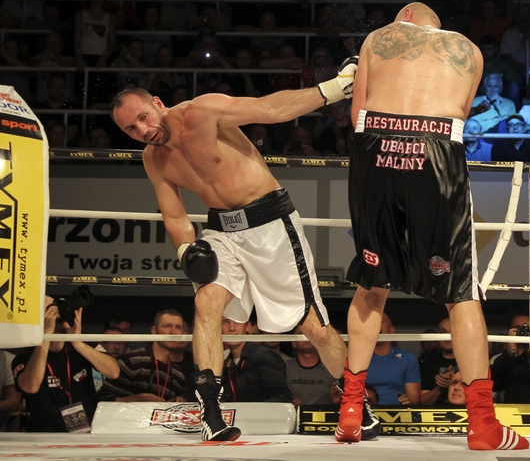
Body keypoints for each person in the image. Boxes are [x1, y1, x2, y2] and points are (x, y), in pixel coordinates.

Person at [110, 60, 357, 442]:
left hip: (270, 222)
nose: (142, 130)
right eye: (131, 129)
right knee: (207, 302)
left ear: (158, 103)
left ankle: (357, 402)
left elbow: (270, 108)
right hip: (221, 230)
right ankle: (211, 413)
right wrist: (186, 250)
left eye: (143, 117)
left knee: (311, 325)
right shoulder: (152, 158)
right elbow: (174, 216)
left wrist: (335, 88)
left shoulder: (201, 112)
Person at [337, 2, 528, 450]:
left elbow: (357, 115)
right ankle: (482, 425)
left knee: (372, 281)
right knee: (460, 292)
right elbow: (460, 113)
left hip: (374, 150)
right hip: (436, 146)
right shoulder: (470, 51)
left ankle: (350, 411)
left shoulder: (378, 38)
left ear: (404, 17)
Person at [13, 296, 119, 432]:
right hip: (43, 434)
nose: (56, 312)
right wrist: (45, 336)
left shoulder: (81, 345)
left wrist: (78, 343)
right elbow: (31, 387)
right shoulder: (25, 356)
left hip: (84, 433)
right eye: (48, 309)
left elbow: (113, 372)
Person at [99, 310, 189, 403]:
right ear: (154, 330)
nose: (173, 332)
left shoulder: (178, 374)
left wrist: (176, 402)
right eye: (167, 326)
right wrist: (137, 399)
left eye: (178, 327)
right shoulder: (130, 361)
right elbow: (103, 399)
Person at [220, 317, 293, 403]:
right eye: (226, 322)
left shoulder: (263, 356)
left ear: (247, 326)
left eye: (237, 321)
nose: (232, 328)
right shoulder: (226, 362)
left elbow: (282, 397)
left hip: (259, 412)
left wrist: (251, 410)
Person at [365, 313, 421, 406]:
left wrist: (409, 400)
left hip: (397, 411)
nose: (375, 324)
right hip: (366, 411)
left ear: (391, 330)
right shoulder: (359, 360)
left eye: (381, 321)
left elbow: (414, 397)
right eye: (372, 322)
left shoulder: (408, 358)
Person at [286, 325, 336, 406]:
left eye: (310, 334)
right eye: (301, 334)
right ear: (293, 343)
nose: (306, 337)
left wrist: (335, 403)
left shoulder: (333, 368)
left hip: (325, 413)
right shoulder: (284, 367)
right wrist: (288, 405)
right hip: (292, 413)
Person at [419, 318, 458, 406]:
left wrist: (454, 383)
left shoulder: (470, 361)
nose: (447, 336)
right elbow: (421, 402)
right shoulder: (428, 361)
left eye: (452, 332)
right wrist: (439, 388)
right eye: (443, 332)